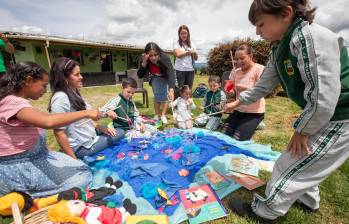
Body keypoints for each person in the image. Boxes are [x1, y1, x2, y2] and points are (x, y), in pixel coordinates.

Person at [226, 0, 349, 222]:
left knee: (287, 165)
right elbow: (265, 84)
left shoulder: (309, 39)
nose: (257, 32)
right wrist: (238, 102)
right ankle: (309, 201)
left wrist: (302, 130)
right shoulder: (280, 46)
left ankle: (266, 211)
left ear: (285, 13)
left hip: (340, 116)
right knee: (304, 160)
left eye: (261, 24)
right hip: (323, 114)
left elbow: (323, 96)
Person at [0, 62, 98, 197]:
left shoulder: (15, 101)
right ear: (29, 80)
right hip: (19, 168)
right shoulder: (11, 103)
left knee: (80, 167)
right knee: (83, 176)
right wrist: (86, 113)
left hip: (35, 156)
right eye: (44, 85)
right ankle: (25, 194)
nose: (45, 90)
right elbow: (48, 121)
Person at [49, 57, 125, 159]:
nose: (81, 77)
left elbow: (88, 117)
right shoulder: (60, 98)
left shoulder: (74, 93)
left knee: (116, 130)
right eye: (76, 75)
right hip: (82, 147)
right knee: (121, 133)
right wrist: (74, 160)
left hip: (89, 135)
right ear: (65, 77)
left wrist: (100, 126)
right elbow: (59, 133)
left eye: (80, 73)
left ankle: (98, 135)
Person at [224, 44, 265, 141]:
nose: (239, 62)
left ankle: (257, 123)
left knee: (237, 138)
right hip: (238, 110)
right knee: (225, 135)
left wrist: (244, 88)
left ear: (250, 56)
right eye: (236, 59)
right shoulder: (235, 71)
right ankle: (250, 125)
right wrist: (230, 92)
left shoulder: (259, 69)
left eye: (242, 58)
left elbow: (261, 91)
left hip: (254, 112)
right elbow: (233, 93)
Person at [138, 42, 175, 124]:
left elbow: (170, 73)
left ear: (159, 53)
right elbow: (140, 75)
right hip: (154, 77)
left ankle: (163, 115)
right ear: (147, 55)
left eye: (155, 55)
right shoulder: (145, 59)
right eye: (150, 56)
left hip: (164, 76)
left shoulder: (165, 58)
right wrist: (144, 63)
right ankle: (157, 115)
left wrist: (171, 89)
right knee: (157, 95)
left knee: (165, 95)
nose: (153, 58)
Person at [173, 25, 198, 90]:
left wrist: (194, 53)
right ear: (179, 34)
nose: (184, 35)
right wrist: (188, 52)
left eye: (185, 33)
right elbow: (177, 54)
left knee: (188, 91)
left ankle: (188, 100)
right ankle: (179, 100)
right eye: (182, 33)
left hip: (190, 70)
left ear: (188, 33)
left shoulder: (192, 43)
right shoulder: (176, 43)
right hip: (180, 70)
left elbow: (196, 58)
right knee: (180, 90)